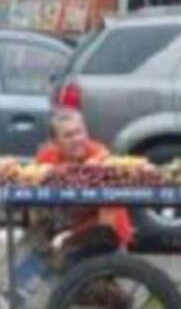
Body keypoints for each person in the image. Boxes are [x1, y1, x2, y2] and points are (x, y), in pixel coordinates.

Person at [34, 108, 135, 254]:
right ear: (55, 142)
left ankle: (110, 254)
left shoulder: (99, 153)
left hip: (102, 226)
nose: (77, 139)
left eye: (79, 132)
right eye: (68, 135)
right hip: (68, 219)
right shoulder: (46, 157)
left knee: (110, 201)